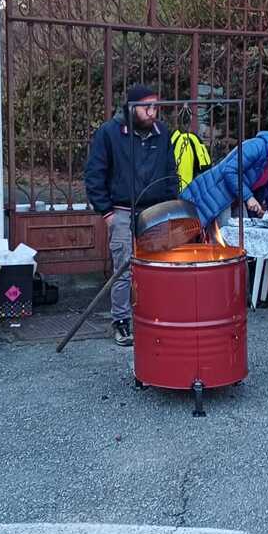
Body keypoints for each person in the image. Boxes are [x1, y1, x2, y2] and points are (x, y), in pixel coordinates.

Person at [84, 84, 178, 347]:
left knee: (158, 266)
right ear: (132, 107)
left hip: (156, 212)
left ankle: (156, 316)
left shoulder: (162, 133)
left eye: (155, 107)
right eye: (146, 107)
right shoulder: (110, 133)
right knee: (124, 268)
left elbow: (170, 172)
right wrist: (106, 212)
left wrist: (171, 206)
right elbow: (94, 174)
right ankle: (121, 321)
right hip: (122, 211)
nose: (152, 112)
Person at [179, 132, 268, 230]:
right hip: (215, 193)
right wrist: (248, 197)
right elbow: (230, 171)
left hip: (235, 199)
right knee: (224, 239)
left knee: (240, 238)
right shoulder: (257, 146)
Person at [171, 113, 212, 192]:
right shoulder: (193, 139)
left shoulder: (172, 138)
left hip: (172, 189)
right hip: (189, 188)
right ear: (189, 123)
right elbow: (206, 166)